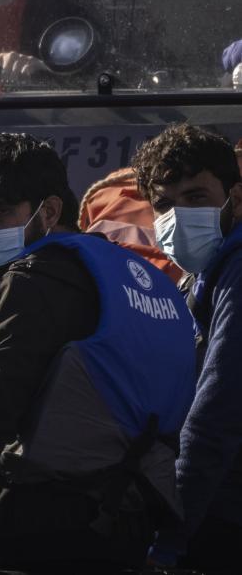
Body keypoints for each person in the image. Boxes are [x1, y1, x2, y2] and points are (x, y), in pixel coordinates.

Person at [0, 133, 197, 570]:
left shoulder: (35, 279)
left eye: (1, 212)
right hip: (134, 516)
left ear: (51, 210)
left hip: (49, 521)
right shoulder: (139, 277)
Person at [132, 124, 242, 572]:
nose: (178, 216)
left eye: (196, 197)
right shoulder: (195, 280)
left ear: (235, 198)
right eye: (163, 204)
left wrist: (167, 536)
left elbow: (217, 409)